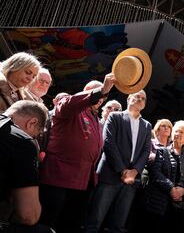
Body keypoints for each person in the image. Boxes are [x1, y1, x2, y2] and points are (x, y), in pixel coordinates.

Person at [38, 73, 116, 233]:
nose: (100, 98)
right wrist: (101, 89)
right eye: (96, 93)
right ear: (85, 92)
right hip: (58, 178)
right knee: (45, 225)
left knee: (69, 226)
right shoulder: (70, 106)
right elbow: (67, 104)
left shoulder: (95, 118)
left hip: (82, 182)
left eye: (103, 96)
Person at [84, 90, 152, 233]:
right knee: (94, 221)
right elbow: (108, 143)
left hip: (131, 180)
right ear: (128, 98)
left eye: (143, 98)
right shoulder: (115, 117)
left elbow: (146, 151)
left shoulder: (147, 125)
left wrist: (135, 171)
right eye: (137, 96)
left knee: (118, 225)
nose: (140, 99)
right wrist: (122, 170)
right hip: (110, 175)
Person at [0, 100, 51, 233]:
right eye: (35, 135)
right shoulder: (23, 141)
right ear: (32, 123)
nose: (34, 139)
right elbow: (29, 216)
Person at [144, 120, 184, 233]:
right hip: (159, 201)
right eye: (176, 131)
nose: (177, 134)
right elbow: (156, 173)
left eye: (181, 132)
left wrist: (183, 189)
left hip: (178, 203)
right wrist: (171, 188)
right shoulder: (161, 151)